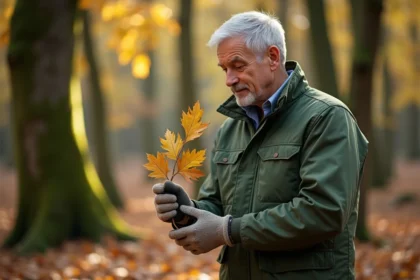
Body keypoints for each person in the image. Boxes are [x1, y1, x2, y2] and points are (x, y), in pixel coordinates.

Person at [153, 11, 368, 280]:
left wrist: (228, 230)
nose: (229, 80)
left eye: (238, 66)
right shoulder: (231, 129)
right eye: (224, 69)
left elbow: (324, 211)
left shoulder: (327, 118)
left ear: (273, 58)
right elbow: (218, 204)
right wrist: (186, 211)